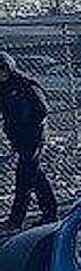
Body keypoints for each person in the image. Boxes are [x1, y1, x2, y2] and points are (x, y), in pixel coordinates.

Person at [0, 51, 58, 232]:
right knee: (36, 175)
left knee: (23, 177)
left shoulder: (25, 84)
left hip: (33, 138)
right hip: (18, 138)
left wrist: (28, 125)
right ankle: (50, 212)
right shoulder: (2, 88)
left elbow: (42, 110)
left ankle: (16, 220)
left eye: (2, 70)